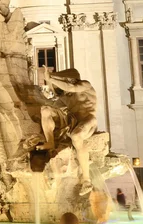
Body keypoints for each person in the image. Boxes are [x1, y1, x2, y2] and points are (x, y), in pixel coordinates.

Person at [36, 66, 98, 196]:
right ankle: (50, 142)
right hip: (72, 121)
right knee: (45, 110)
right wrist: (49, 80)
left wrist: (51, 78)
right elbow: (53, 97)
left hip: (88, 120)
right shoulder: (66, 96)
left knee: (76, 136)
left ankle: (86, 179)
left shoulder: (85, 85)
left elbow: (71, 87)